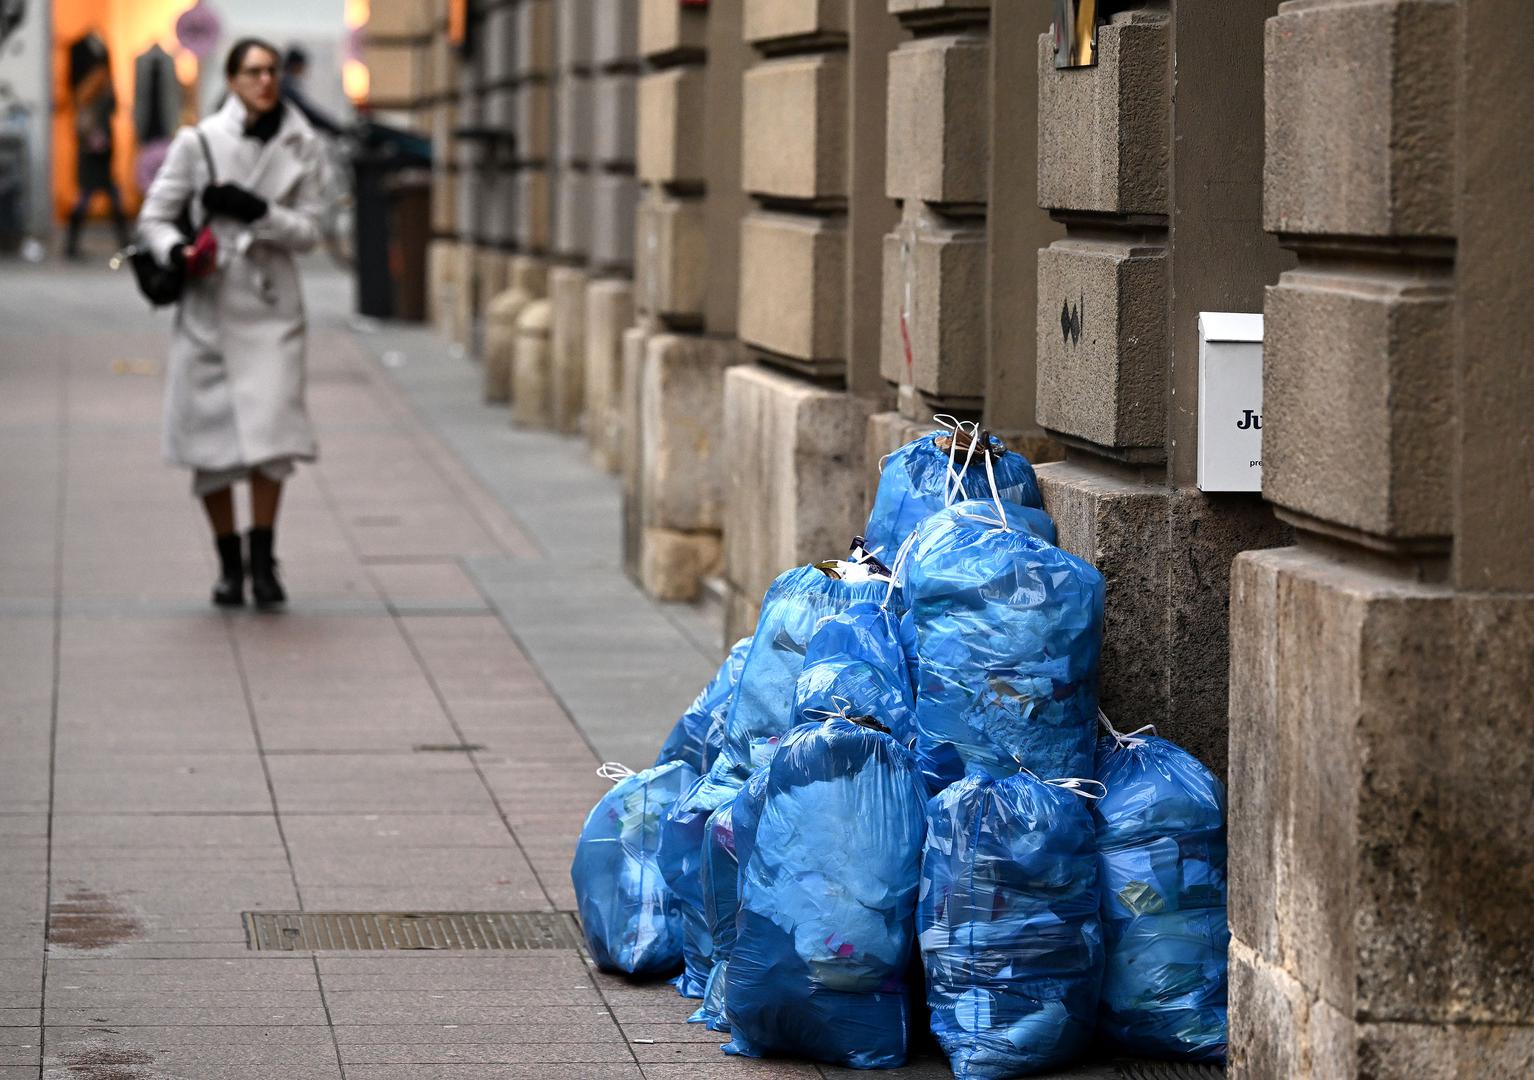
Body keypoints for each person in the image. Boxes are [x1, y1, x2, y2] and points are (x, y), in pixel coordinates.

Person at [137, 37, 327, 610]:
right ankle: (228, 564)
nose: (265, 81)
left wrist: (261, 213)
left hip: (272, 307)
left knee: (273, 438)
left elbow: (314, 233)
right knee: (211, 442)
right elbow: (153, 218)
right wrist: (175, 253)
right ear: (233, 78)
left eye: (271, 71)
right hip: (210, 304)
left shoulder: (304, 142)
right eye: (252, 72)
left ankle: (264, 561)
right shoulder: (199, 142)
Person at [65, 31, 129, 257]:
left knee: (102, 195)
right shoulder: (99, 81)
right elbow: (104, 110)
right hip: (96, 150)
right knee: (101, 195)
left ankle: (73, 245)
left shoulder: (87, 84)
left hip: (94, 149)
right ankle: (123, 243)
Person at [279, 45, 345, 137]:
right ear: (297, 65)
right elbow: (305, 112)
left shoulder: (283, 82)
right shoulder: (286, 86)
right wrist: (335, 128)